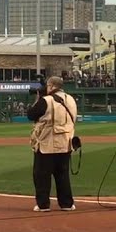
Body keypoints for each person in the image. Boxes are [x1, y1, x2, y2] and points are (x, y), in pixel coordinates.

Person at [26, 76, 77, 212]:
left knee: (42, 175)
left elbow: (31, 114)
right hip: (66, 142)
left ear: (52, 86)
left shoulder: (46, 100)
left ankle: (43, 204)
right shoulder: (71, 99)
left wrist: (38, 97)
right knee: (63, 175)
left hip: (47, 143)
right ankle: (66, 203)